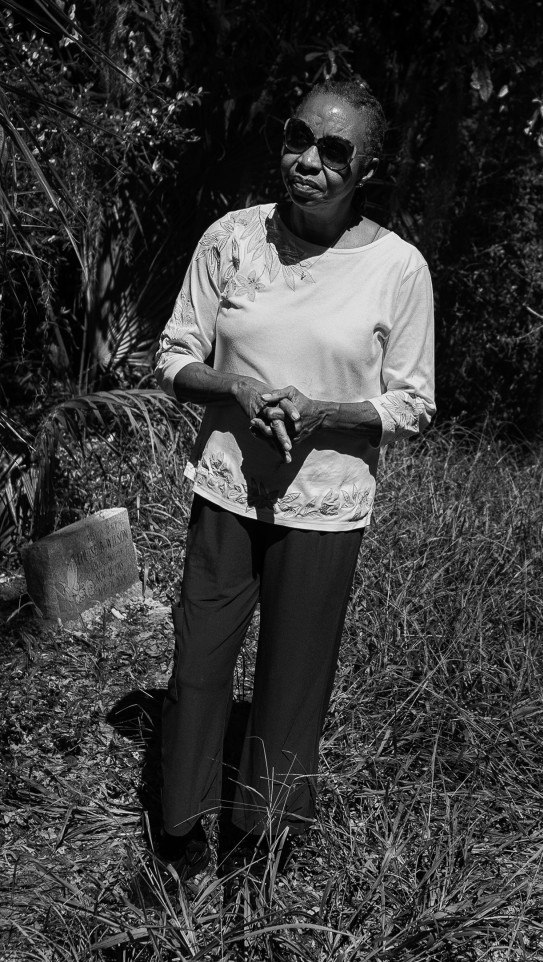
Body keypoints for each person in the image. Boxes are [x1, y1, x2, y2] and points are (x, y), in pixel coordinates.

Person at [149, 78, 435, 883]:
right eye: (297, 137)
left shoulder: (397, 269)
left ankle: (258, 852)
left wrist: (325, 413)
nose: (308, 160)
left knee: (290, 684)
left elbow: (413, 402)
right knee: (200, 664)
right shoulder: (232, 240)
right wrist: (235, 389)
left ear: (366, 170)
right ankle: (179, 838)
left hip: (325, 508)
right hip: (228, 490)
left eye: (334, 150)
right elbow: (174, 356)